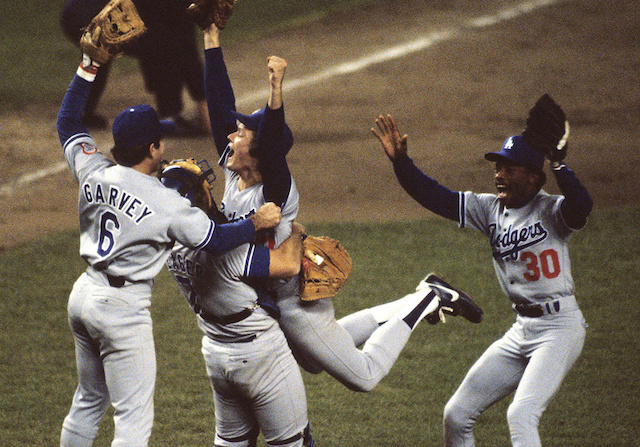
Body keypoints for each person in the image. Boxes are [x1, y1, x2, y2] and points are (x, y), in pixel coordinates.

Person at [201, 21, 483, 394]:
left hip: (293, 300)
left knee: (364, 377)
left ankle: (431, 298)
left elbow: (269, 141)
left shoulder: (276, 187)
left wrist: (275, 89)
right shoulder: (233, 163)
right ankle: (417, 297)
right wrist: (211, 37)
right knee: (315, 361)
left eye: (242, 133)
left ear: (259, 151)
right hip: (269, 294)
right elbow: (221, 105)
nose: (232, 136)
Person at [56, 51, 281, 447]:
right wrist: (255, 224)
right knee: (133, 419)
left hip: (83, 296)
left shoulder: (93, 169)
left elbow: (68, 122)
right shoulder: (164, 201)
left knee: (88, 400)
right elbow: (215, 239)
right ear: (154, 148)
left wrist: (89, 64)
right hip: (120, 313)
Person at [372, 112, 592, 446]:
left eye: (508, 169)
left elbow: (582, 206)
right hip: (523, 331)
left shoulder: (553, 210)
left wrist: (559, 164)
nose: (498, 176)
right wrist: (402, 163)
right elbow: (435, 196)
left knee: (521, 414)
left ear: (533, 178)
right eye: (497, 167)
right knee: (457, 413)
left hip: (560, 329)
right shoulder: (489, 209)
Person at [160, 159, 314, 447]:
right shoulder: (224, 251)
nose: (211, 188)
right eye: (206, 185)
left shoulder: (169, 245)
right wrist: (295, 231)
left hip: (217, 355)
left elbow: (218, 233)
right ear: (199, 196)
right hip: (261, 356)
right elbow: (289, 264)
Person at [60, 0, 210, 135]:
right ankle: (169, 116)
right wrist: (205, 102)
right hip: (92, 12)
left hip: (77, 12)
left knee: (103, 53)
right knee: (165, 45)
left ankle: (80, 112)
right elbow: (186, 50)